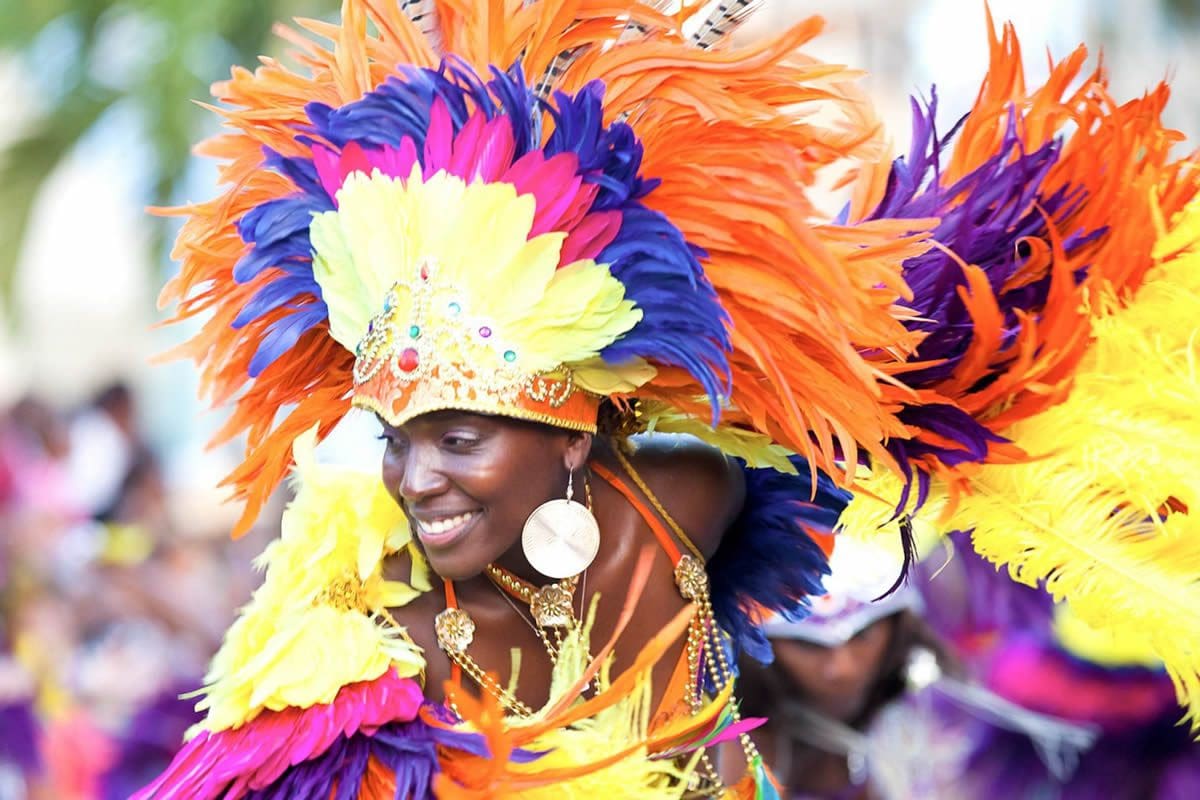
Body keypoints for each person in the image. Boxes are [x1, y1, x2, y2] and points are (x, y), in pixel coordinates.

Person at [134, 2, 918, 797]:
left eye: (460, 440)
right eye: (395, 439)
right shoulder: (393, 656)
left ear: (572, 437)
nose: (415, 479)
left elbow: (859, 427)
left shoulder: (687, 493)